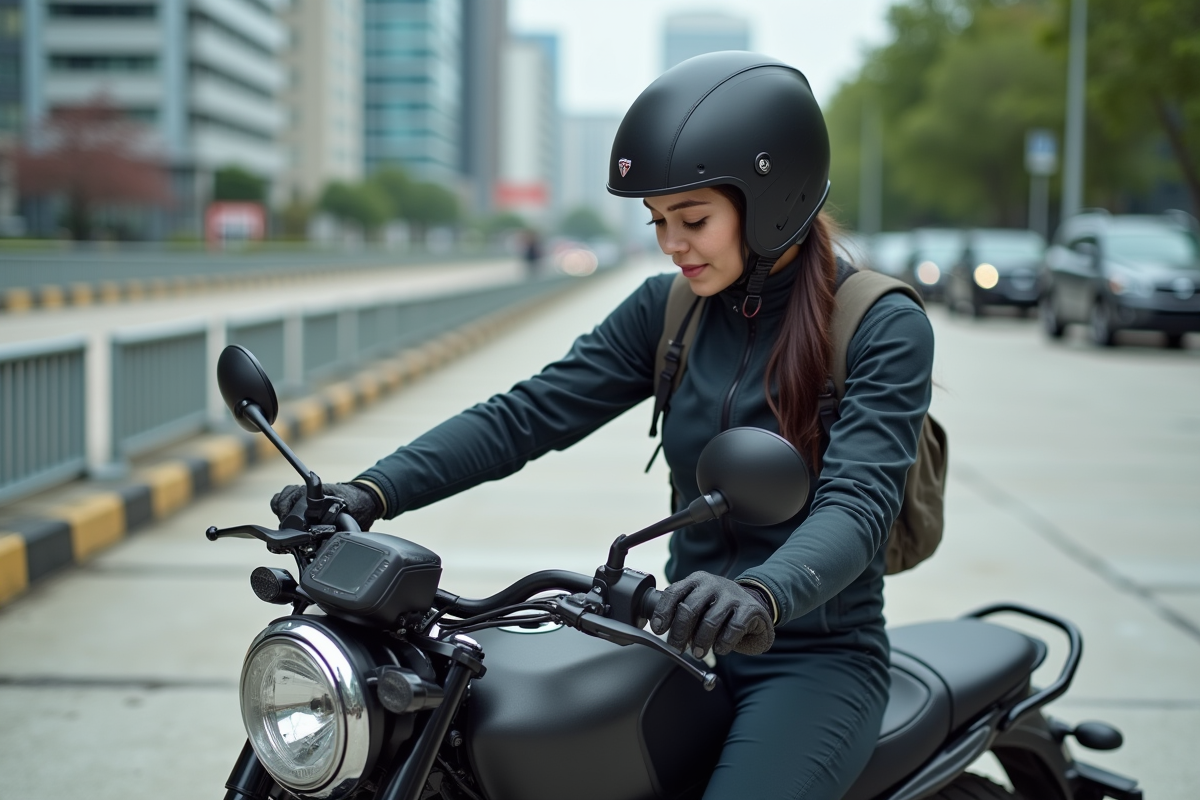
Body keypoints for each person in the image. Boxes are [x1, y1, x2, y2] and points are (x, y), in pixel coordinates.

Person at [272, 52, 933, 799]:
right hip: (678, 640)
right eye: (657, 222)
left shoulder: (879, 326)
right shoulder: (668, 311)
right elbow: (526, 415)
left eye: (694, 219)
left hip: (815, 656)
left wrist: (763, 594)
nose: (670, 244)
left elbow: (859, 503)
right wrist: (371, 491)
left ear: (776, 197)